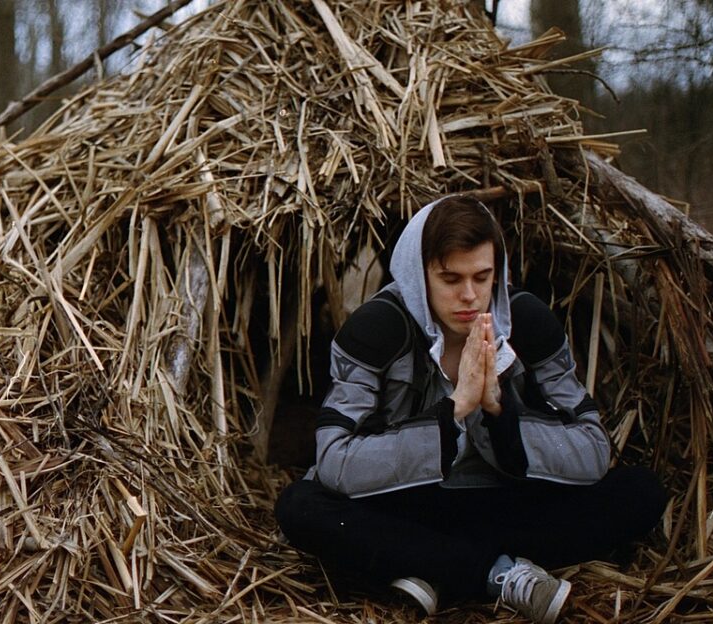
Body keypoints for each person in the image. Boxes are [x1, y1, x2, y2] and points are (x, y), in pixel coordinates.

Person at [275, 195, 668, 623]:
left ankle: (427, 563)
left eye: (483, 277)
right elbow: (334, 460)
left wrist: (499, 413)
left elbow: (593, 450)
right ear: (418, 275)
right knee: (301, 506)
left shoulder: (528, 323)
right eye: (450, 279)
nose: (469, 296)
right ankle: (497, 573)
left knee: (640, 492)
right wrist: (453, 411)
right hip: (405, 501)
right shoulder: (376, 329)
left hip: (502, 500)